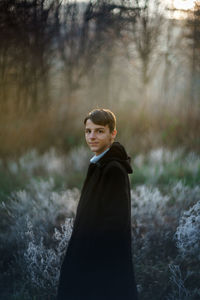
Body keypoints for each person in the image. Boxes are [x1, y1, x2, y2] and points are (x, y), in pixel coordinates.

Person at [56, 108, 138, 300]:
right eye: (88, 131)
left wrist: (91, 264)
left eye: (99, 131)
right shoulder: (99, 164)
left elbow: (114, 224)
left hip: (101, 264)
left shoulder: (113, 169)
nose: (92, 136)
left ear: (112, 134)